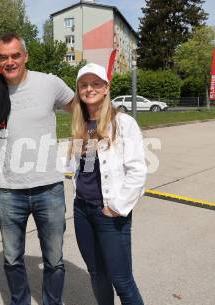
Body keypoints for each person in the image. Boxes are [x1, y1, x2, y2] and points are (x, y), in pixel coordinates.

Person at [0, 33, 75, 305]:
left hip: (49, 188)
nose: (10, 62)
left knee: (54, 259)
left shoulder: (49, 83)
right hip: (9, 191)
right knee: (11, 259)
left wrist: (89, 140)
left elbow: (79, 108)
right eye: (3, 57)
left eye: (15, 55)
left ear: (25, 56)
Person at [68, 62, 147, 305]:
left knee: (122, 281)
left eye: (95, 84)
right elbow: (84, 168)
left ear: (105, 88)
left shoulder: (123, 123)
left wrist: (116, 207)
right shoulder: (81, 124)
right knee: (97, 274)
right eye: (84, 85)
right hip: (82, 210)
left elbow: (137, 171)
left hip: (110, 213)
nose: (89, 89)